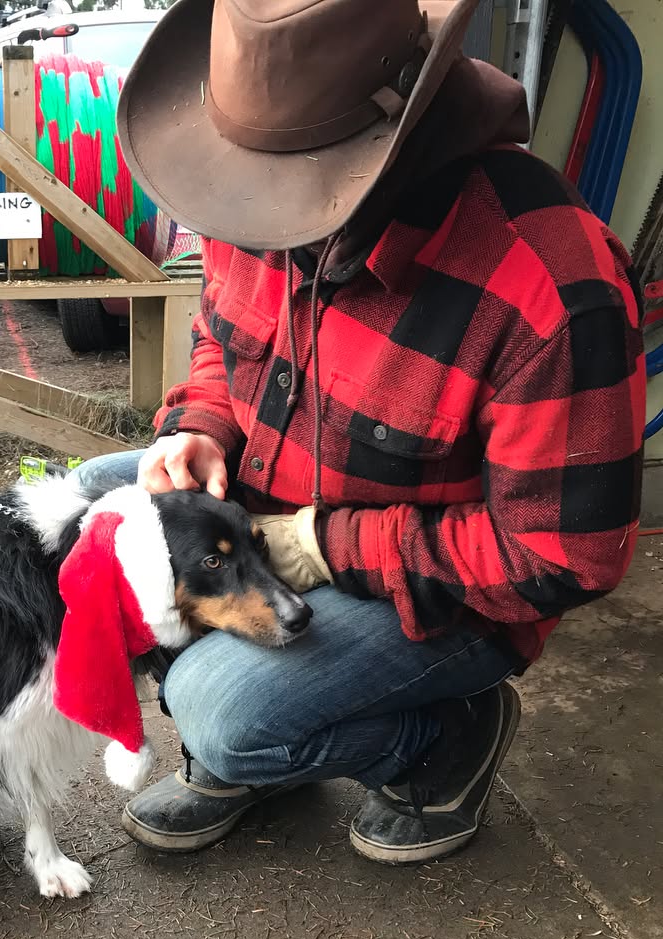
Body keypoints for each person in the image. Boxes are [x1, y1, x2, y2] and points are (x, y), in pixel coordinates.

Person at [71, 0, 646, 864]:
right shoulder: (256, 187)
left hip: (446, 591)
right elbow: (217, 343)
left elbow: (564, 558)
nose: (255, 215)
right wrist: (201, 427)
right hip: (279, 502)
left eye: (289, 187)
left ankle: (442, 738)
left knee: (222, 714)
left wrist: (328, 545)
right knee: (91, 505)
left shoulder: (553, 289)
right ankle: (268, 726)